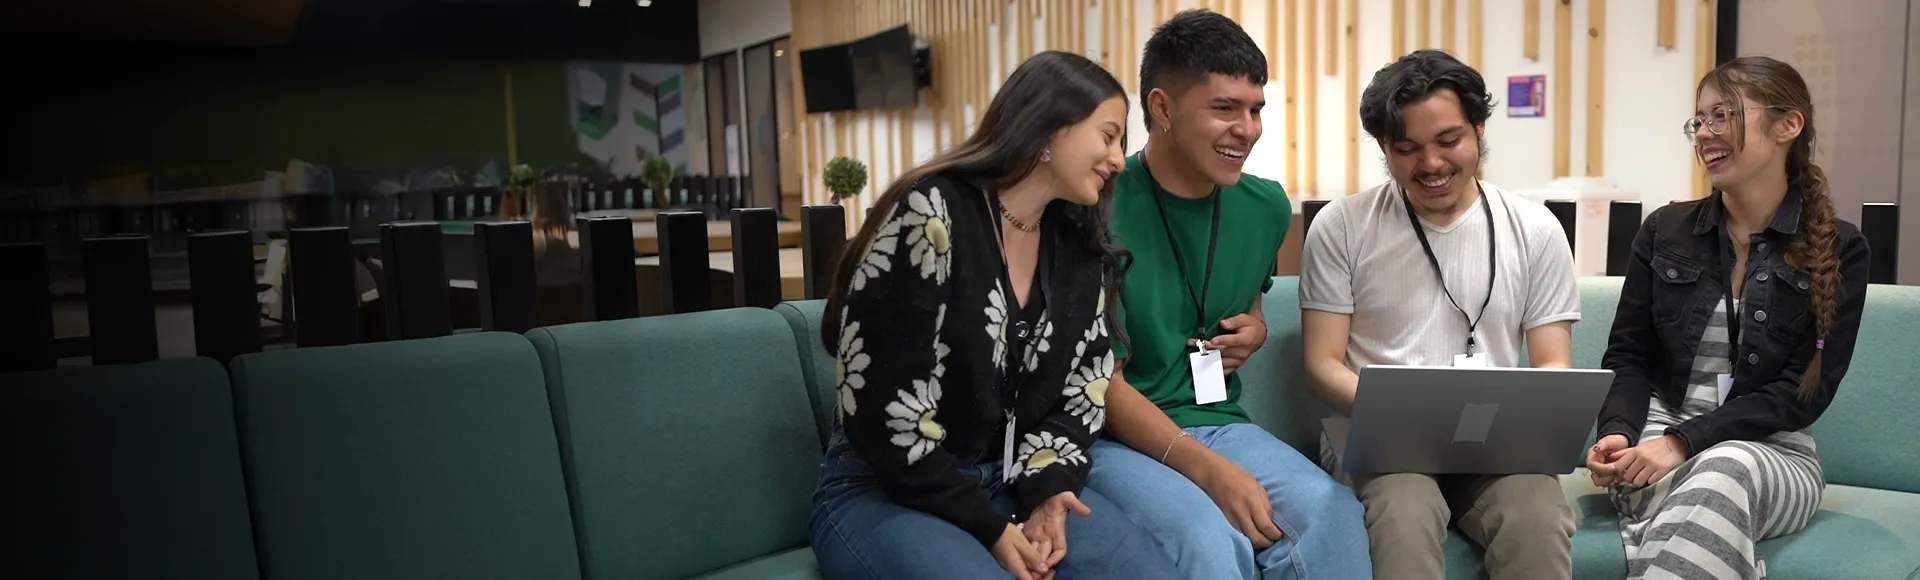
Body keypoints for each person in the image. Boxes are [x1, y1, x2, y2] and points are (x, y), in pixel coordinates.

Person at [807, 50, 1181, 580]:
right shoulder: (931, 214)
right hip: (885, 490)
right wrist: (988, 527)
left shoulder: (1075, 247)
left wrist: (1050, 493)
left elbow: (1086, 389)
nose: (1119, 158)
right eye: (1108, 135)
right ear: (1050, 126)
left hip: (1010, 483)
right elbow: (883, 411)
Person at [1082, 9, 1373, 580]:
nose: (1248, 128)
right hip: (1110, 434)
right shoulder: (1096, 206)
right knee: (1208, 539)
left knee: (1333, 513)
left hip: (1219, 421)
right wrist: (1209, 471)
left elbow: (1249, 301)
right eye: (1223, 108)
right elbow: (1095, 385)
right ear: (1162, 108)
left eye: (1256, 109)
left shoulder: (1264, 205)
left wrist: (1256, 327)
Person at [1297, 49, 1582, 579]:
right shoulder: (1342, 226)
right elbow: (1321, 363)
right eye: (1406, 149)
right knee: (1404, 515)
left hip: (1494, 443)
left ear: (1478, 129)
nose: (1431, 165)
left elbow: (1552, 364)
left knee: (1537, 515)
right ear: (1384, 148)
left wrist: (1525, 417)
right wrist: (1407, 412)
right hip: (1380, 439)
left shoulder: (1536, 229)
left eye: (1449, 141)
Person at [1590, 55, 1869, 580]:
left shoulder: (1842, 248)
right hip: (1653, 442)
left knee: (1726, 469)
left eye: (1723, 115)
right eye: (1699, 120)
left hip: (1771, 456)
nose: (1704, 133)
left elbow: (1803, 392)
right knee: (1711, 497)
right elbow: (1628, 355)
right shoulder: (1665, 230)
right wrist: (1620, 433)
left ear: (1788, 125)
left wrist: (1685, 443)